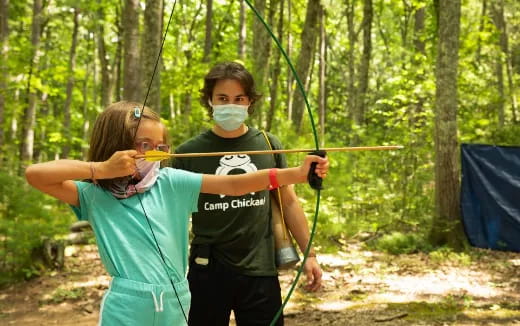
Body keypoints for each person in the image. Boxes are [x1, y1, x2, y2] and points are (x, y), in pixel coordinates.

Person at [24, 101, 329, 326]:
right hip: (127, 307)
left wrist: (298, 174)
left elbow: (236, 184)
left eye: (161, 146)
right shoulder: (93, 194)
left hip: (177, 302)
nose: (155, 153)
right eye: (144, 145)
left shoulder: (171, 182)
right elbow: (36, 174)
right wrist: (100, 170)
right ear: (117, 146)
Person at [172, 61, 323, 326]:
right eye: (222, 98)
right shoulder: (187, 153)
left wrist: (309, 255)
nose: (231, 105)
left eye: (239, 98)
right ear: (210, 100)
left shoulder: (267, 144)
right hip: (207, 268)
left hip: (260, 267)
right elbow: (173, 217)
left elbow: (287, 201)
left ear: (250, 102)